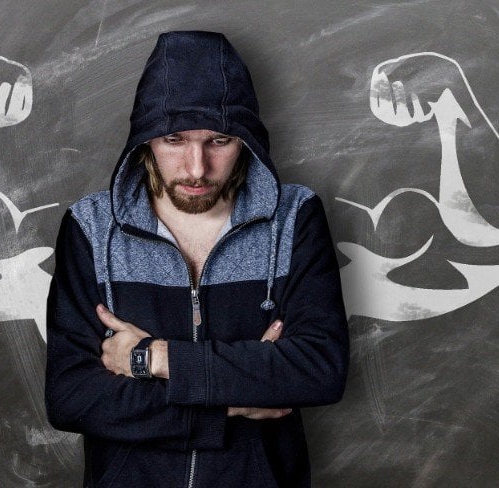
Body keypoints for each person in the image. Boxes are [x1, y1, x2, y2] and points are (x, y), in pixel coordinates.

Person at [45, 30, 349, 488]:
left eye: (219, 141)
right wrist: (231, 405)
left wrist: (155, 359)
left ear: (246, 140)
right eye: (174, 139)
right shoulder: (91, 226)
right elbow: (72, 398)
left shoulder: (295, 217)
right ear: (145, 140)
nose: (196, 168)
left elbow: (318, 370)